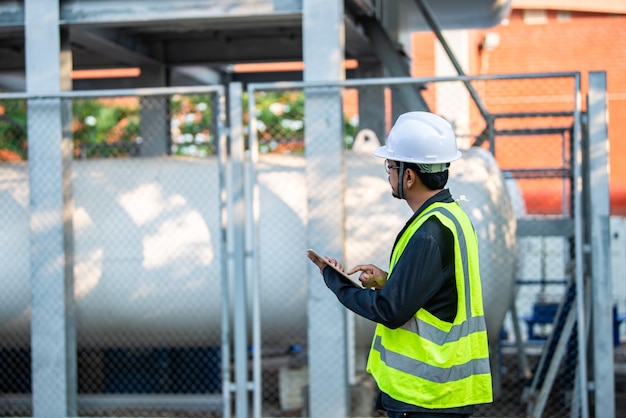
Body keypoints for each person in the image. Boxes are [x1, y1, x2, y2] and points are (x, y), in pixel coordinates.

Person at [308, 111, 493, 417]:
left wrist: (334, 279)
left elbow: (389, 310)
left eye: (391, 166)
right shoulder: (452, 217)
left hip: (424, 395)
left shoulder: (429, 233)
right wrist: (388, 279)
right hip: (440, 392)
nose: (389, 174)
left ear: (409, 175)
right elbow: (439, 291)